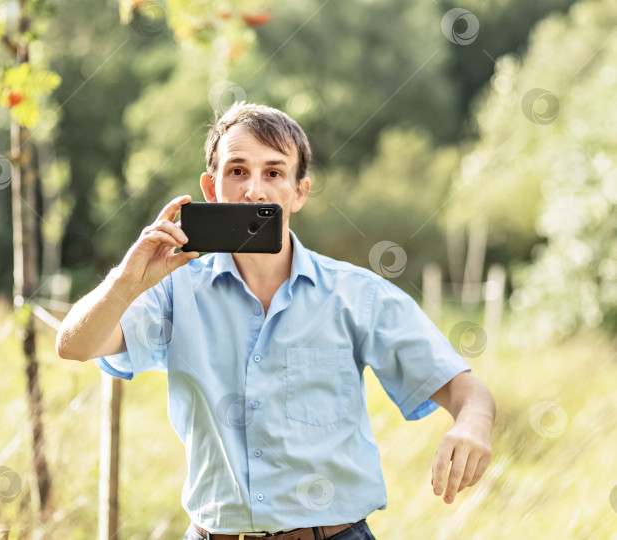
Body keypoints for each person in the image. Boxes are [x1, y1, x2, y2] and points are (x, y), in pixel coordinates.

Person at [56, 102, 495, 539]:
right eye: (238, 171)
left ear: (299, 191)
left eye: (273, 172)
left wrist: (472, 425)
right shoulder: (172, 291)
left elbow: (465, 389)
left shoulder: (356, 295)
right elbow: (73, 345)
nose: (254, 191)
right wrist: (127, 281)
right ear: (212, 188)